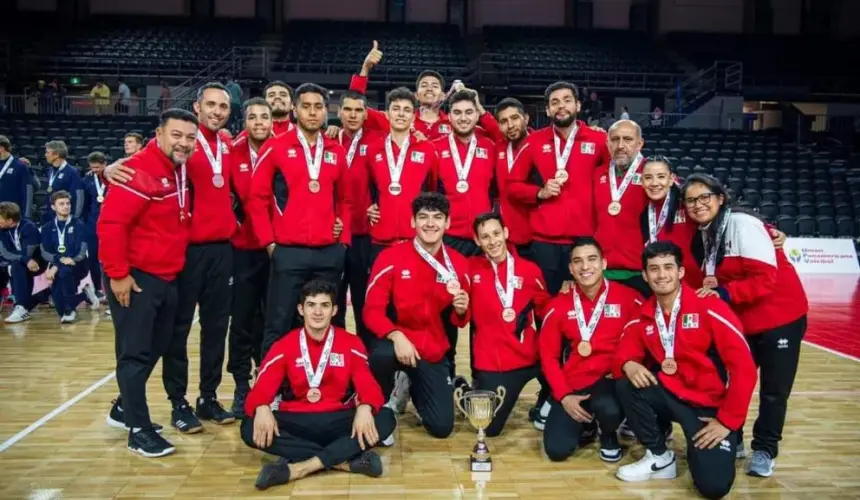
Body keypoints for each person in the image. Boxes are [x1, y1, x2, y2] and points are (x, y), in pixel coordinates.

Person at [106, 83, 238, 432]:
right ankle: (178, 402)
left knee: (216, 328)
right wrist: (112, 168)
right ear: (197, 107)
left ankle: (207, 396)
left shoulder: (227, 143)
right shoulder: (180, 146)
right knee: (176, 334)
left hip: (223, 249)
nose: (217, 111)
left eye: (223, 106)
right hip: (187, 252)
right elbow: (144, 159)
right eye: (210, 104)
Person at [681, 174, 808, 478]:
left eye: (704, 197)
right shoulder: (706, 232)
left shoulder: (742, 224)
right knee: (734, 379)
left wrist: (724, 293)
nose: (698, 205)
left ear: (720, 197)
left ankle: (765, 448)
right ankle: (732, 434)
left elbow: (765, 279)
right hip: (743, 320)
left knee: (774, 390)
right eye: (690, 200)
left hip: (780, 317)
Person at [614, 241, 757, 499]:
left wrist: (728, 421)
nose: (661, 275)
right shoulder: (644, 313)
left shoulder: (710, 307)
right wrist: (628, 362)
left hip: (707, 409)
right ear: (645, 275)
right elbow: (624, 349)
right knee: (626, 383)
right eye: (654, 269)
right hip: (671, 394)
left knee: (713, 487)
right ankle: (659, 457)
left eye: (668, 267)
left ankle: (726, 438)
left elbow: (745, 367)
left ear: (681, 272)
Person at [99, 108, 196, 457]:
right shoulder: (139, 169)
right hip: (136, 276)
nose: (183, 142)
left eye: (189, 137)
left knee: (159, 344)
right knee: (135, 352)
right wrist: (118, 274)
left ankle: (125, 408)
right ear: (159, 133)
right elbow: (111, 226)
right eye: (177, 135)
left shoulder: (177, 168)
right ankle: (138, 430)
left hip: (166, 274)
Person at [241, 280, 395, 490]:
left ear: (334, 310)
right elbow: (261, 388)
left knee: (386, 418)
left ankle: (299, 468)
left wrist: (365, 407)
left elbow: (368, 384)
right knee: (249, 427)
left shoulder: (351, 343)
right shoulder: (284, 345)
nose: (317, 312)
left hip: (338, 419)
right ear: (300, 309)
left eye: (324, 305)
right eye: (311, 304)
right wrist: (261, 407)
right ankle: (344, 462)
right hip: (297, 420)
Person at [249, 83, 352, 357]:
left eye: (318, 107)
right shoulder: (275, 147)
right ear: (295, 110)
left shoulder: (336, 150)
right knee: (279, 322)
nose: (313, 112)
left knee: (330, 322)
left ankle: (330, 386)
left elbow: (345, 200)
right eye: (306, 106)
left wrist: (342, 241)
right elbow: (256, 199)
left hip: (328, 252)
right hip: (288, 251)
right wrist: (270, 243)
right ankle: (270, 391)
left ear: (326, 111)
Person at [364, 192, 470, 440]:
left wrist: (462, 310)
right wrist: (395, 334)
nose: (430, 223)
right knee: (380, 356)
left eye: (437, 217)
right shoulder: (390, 257)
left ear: (447, 223)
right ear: (413, 222)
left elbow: (460, 321)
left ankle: (412, 384)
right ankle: (381, 402)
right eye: (423, 217)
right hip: (395, 343)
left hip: (431, 348)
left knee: (441, 428)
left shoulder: (459, 264)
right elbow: (371, 311)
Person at [540, 237, 640, 463]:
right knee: (556, 450)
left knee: (609, 407)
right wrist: (564, 395)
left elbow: (642, 342)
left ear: (604, 263)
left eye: (592, 259)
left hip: (611, 380)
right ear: (570, 269)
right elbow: (548, 356)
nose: (585, 267)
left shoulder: (629, 298)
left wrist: (622, 368)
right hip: (575, 383)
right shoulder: (558, 305)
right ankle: (587, 426)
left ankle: (609, 433)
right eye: (578, 261)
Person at [507, 81, 610, 296]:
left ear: (578, 105)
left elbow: (622, 172)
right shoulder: (533, 141)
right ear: (548, 110)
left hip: (584, 240)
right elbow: (512, 186)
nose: (561, 106)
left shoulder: (599, 140)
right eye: (555, 102)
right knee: (546, 305)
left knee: (585, 306)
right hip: (545, 242)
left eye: (567, 100)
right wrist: (539, 193)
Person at [467, 212, 550, 436]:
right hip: (494, 363)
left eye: (496, 233)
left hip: (528, 357)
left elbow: (546, 312)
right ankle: (465, 389)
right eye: (485, 237)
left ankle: (547, 403)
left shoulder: (530, 270)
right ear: (477, 241)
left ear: (505, 232)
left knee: (562, 365)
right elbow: (461, 318)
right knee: (490, 429)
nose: (492, 241)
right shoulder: (470, 269)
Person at [227, 98, 274, 416]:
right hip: (242, 249)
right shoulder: (232, 152)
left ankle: (270, 382)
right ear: (244, 121)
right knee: (242, 320)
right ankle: (242, 384)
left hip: (276, 249)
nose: (258, 122)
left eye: (264, 117)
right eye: (252, 117)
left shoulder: (285, 148)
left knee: (273, 320)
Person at [362, 87, 438, 265]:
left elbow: (433, 190)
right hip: (380, 237)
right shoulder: (373, 149)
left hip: (417, 238)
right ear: (387, 114)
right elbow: (366, 188)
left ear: (413, 116)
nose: (401, 114)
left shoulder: (427, 149)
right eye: (396, 109)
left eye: (407, 110)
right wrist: (368, 206)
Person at [329, 90, 381, 350]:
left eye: (358, 110)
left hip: (364, 236)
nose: (352, 115)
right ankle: (337, 358)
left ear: (366, 114)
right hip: (334, 236)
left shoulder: (376, 141)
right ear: (338, 112)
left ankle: (365, 360)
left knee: (363, 303)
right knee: (334, 304)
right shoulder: (328, 140)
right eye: (347, 109)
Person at [350, 42, 452, 140]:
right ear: (416, 95)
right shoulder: (397, 118)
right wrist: (365, 68)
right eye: (424, 85)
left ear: (443, 96)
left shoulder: (454, 122)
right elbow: (355, 106)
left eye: (434, 86)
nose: (429, 89)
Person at [594, 120, 649, 295]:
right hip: (601, 271)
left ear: (639, 143)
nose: (620, 145)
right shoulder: (596, 174)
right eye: (615, 139)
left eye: (628, 139)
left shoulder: (653, 173)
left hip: (640, 271)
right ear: (607, 143)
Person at [40, 190, 100, 323]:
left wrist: (58, 265)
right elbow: (45, 252)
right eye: (61, 204)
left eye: (68, 203)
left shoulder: (79, 225)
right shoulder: (47, 228)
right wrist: (57, 263)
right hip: (58, 265)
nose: (66, 206)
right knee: (58, 302)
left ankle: (70, 310)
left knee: (65, 272)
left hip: (78, 264)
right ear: (53, 207)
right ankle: (84, 295)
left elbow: (81, 252)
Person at [490, 99, 532, 258]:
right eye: (504, 121)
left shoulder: (539, 144)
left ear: (526, 118)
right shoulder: (499, 147)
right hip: (507, 236)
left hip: (536, 236)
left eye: (515, 118)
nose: (510, 125)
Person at [0, 201, 46, 323]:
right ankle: (20, 305)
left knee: (17, 266)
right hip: (20, 261)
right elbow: (5, 253)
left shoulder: (29, 227)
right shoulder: (1, 229)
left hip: (38, 263)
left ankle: (21, 307)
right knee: (13, 265)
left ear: (10, 221)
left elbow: (28, 253)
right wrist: (24, 259)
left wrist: (24, 259)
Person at [83, 152, 108, 301]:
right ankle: (98, 289)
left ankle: (110, 289)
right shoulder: (86, 180)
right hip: (92, 225)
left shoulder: (112, 177)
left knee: (110, 257)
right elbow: (84, 204)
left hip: (110, 224)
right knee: (93, 258)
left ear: (105, 164)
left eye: (98, 167)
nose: (95, 170)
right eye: (92, 168)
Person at [42, 141, 84, 224]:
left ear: (56, 155)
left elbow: (78, 197)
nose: (45, 155)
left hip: (65, 218)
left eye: (47, 152)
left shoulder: (72, 173)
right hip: (51, 216)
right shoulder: (50, 171)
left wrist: (75, 218)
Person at [0, 136, 36, 220]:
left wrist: (26, 216)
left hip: (11, 216)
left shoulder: (20, 166)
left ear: (1, 148)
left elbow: (28, 192)